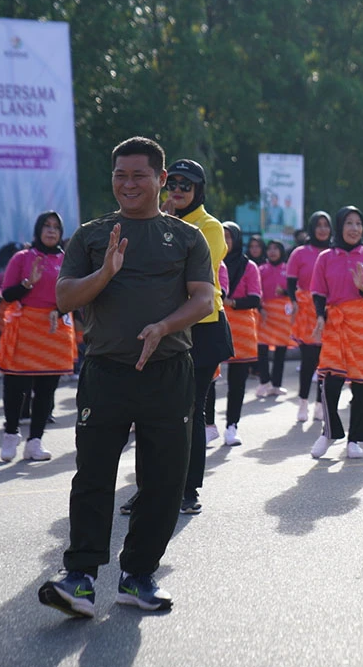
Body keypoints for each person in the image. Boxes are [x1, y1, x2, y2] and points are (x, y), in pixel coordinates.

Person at [38, 136, 213, 618]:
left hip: (169, 371)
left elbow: (203, 299)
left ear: (161, 179)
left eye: (139, 175)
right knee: (93, 476)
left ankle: (138, 576)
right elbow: (65, 298)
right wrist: (105, 273)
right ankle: (80, 578)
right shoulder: (92, 236)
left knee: (163, 481)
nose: (128, 184)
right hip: (106, 370)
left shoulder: (186, 237)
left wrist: (163, 327)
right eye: (120, 175)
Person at [164, 159, 233, 514]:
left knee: (190, 409)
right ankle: (151, 487)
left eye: (185, 185)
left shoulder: (210, 226)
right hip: (166, 324)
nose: (177, 190)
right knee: (156, 411)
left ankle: (188, 490)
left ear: (198, 190)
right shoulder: (157, 221)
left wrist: (165, 226)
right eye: (172, 183)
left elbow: (189, 269)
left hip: (203, 326)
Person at [309, 207, 363, 459]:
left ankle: (355, 440)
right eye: (349, 223)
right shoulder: (326, 257)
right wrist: (320, 316)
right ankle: (329, 432)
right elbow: (318, 293)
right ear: (340, 226)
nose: (354, 228)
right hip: (336, 325)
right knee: (329, 380)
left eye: (358, 223)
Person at [0, 212, 76, 461]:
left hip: (54, 328)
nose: (51, 231)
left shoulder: (68, 261)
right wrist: (28, 283)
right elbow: (7, 295)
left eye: (56, 227)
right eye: (46, 226)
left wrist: (59, 310)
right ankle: (11, 434)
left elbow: (74, 295)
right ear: (38, 230)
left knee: (46, 389)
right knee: (15, 386)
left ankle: (35, 442)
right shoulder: (22, 257)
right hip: (25, 327)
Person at [220, 222, 262, 446]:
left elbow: (255, 298)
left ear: (236, 240)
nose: (225, 241)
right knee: (208, 378)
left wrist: (232, 302)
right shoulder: (209, 261)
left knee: (237, 382)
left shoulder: (249, 266)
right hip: (215, 325)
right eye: (221, 236)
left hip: (241, 330)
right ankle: (207, 425)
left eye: (229, 237)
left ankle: (232, 426)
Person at [288, 212, 331, 422]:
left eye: (326, 225)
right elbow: (290, 281)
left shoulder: (335, 252)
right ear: (312, 228)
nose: (322, 229)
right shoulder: (300, 253)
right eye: (318, 225)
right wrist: (294, 302)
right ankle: (303, 402)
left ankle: (320, 405)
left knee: (326, 360)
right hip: (307, 310)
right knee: (309, 360)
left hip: (331, 310)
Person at [255, 241, 292, 397]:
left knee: (280, 351)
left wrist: (284, 292)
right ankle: (264, 382)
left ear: (281, 251)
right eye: (269, 248)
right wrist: (260, 308)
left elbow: (296, 290)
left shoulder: (289, 269)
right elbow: (255, 290)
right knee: (262, 349)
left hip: (283, 316)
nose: (272, 251)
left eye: (276, 248)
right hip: (265, 314)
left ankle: (276, 385)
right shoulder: (261, 270)